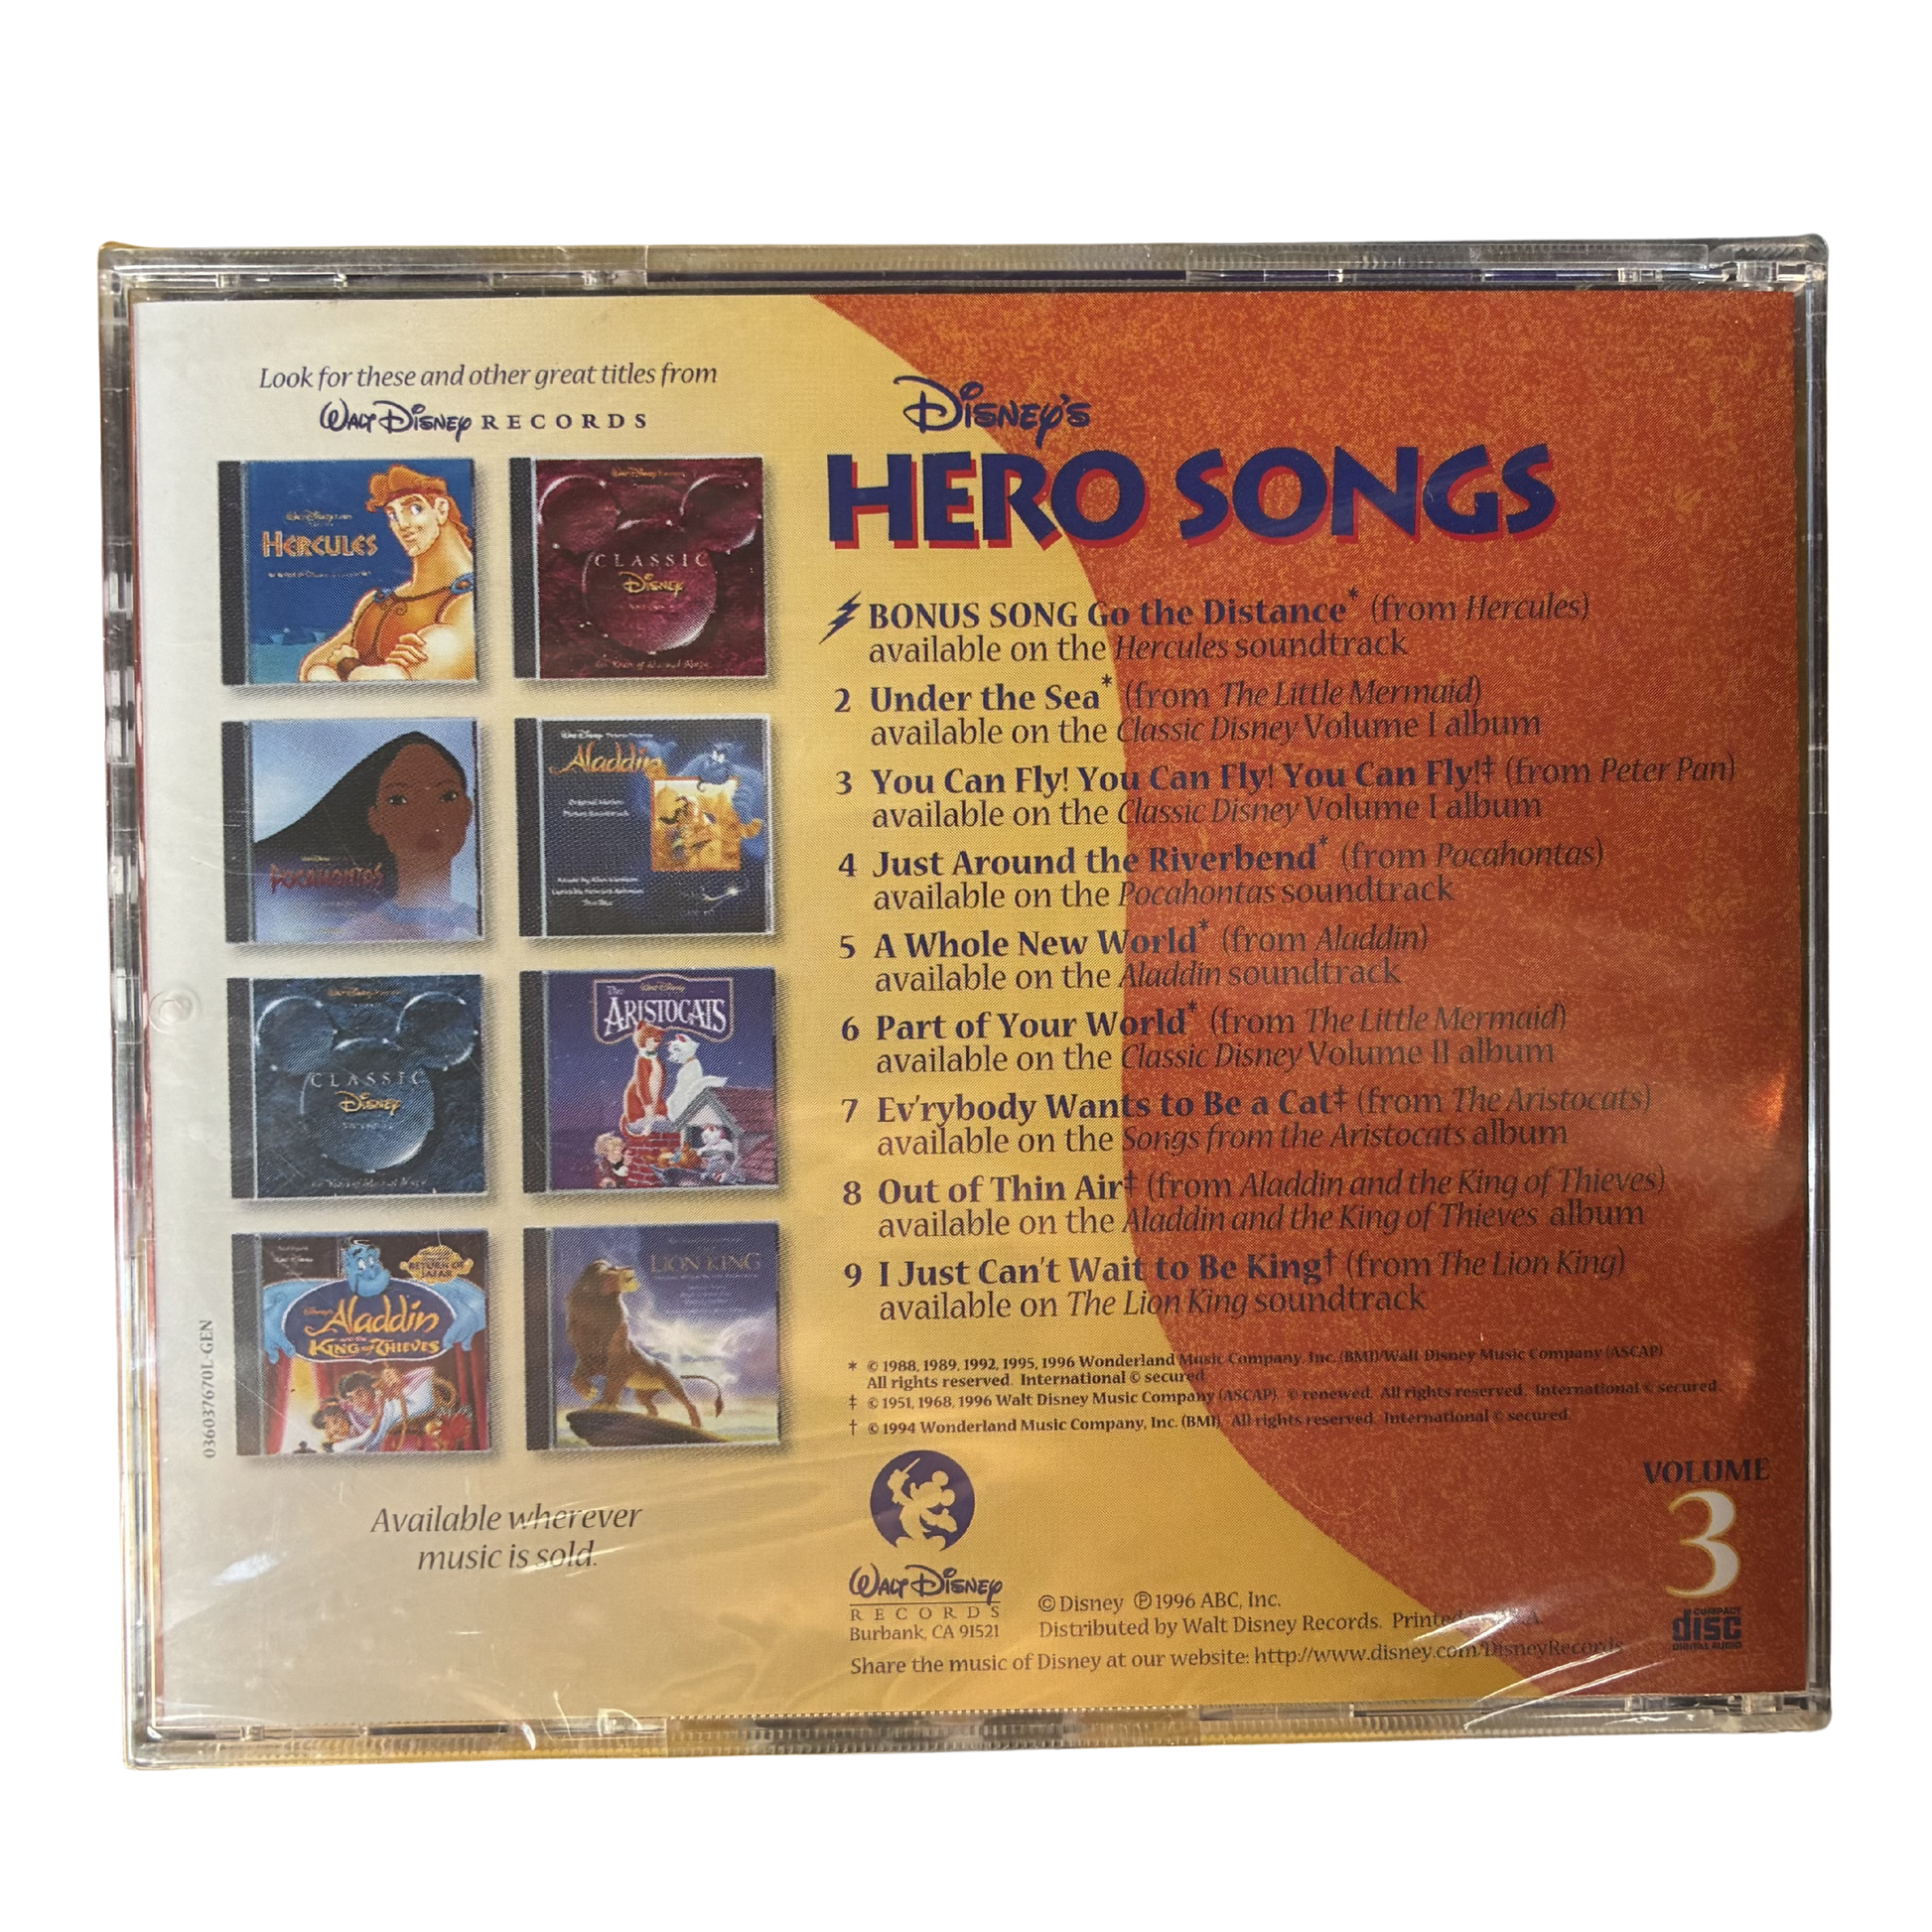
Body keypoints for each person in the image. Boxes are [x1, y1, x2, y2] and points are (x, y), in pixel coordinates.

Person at [255, 732, 478, 941]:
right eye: (398, 800)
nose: (426, 817)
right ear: (375, 819)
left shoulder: (480, 924)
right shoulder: (357, 934)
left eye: (447, 796)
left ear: (467, 809)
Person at [299, 466, 476, 681]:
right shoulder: (376, 603)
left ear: (441, 509)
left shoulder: (470, 604)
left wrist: (346, 666)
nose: (402, 525)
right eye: (392, 515)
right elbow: (311, 668)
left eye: (414, 509)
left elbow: (400, 686)